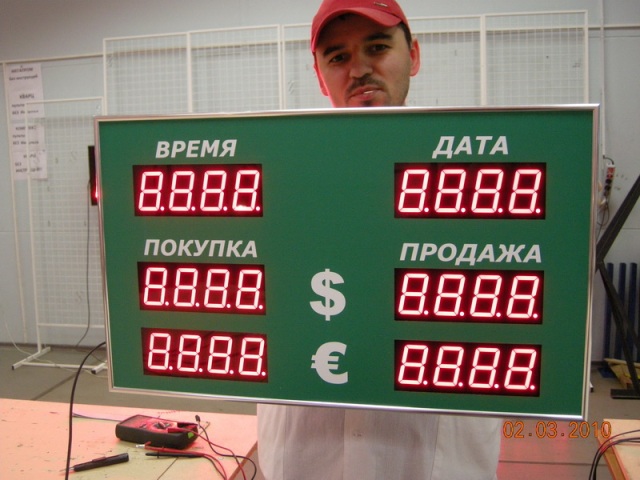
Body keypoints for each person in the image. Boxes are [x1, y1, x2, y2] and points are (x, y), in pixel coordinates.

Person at [257, 1, 502, 478]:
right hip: (306, 455)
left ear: (413, 55)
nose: (359, 69)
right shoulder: (279, 171)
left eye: (376, 47)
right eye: (338, 56)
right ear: (319, 74)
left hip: (433, 456)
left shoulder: (484, 175)